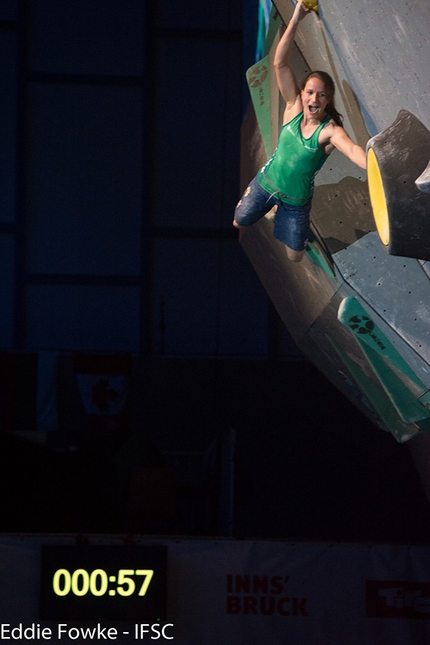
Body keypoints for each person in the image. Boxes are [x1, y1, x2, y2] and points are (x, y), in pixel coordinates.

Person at [233, 0, 366, 262]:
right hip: (265, 183)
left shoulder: (329, 131)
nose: (314, 99)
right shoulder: (293, 107)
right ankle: (267, 206)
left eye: (321, 95)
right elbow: (279, 64)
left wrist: (375, 169)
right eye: (310, 92)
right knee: (239, 223)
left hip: (295, 203)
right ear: (303, 94)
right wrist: (296, 17)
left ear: (327, 100)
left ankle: (283, 218)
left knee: (294, 257)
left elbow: (352, 150)